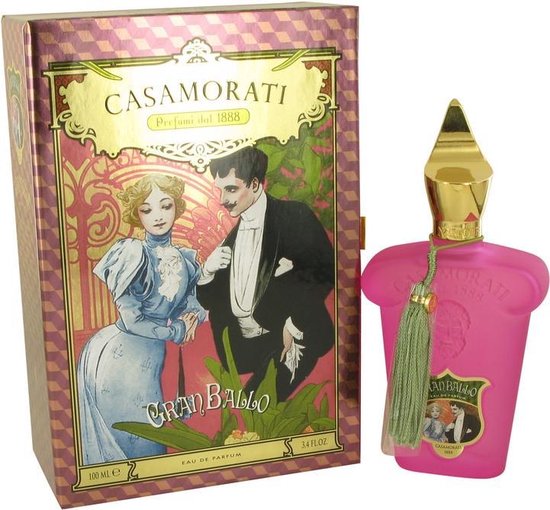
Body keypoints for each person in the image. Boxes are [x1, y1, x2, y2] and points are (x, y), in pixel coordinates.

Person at [77, 174, 205, 465]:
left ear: (177, 207)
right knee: (135, 433)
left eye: (165, 206)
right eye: (147, 210)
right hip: (123, 354)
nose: (158, 216)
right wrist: (176, 331)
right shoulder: (133, 254)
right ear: (137, 214)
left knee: (154, 427)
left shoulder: (186, 259)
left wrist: (192, 317)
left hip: (157, 353)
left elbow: (191, 302)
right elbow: (132, 319)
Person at [197, 147, 334, 402]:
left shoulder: (295, 216)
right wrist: (207, 271)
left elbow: (326, 269)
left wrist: (295, 324)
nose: (223, 199)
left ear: (255, 184)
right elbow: (208, 300)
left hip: (295, 337)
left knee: (254, 407)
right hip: (245, 351)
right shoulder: (230, 240)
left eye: (231, 189)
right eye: (220, 190)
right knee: (251, 410)